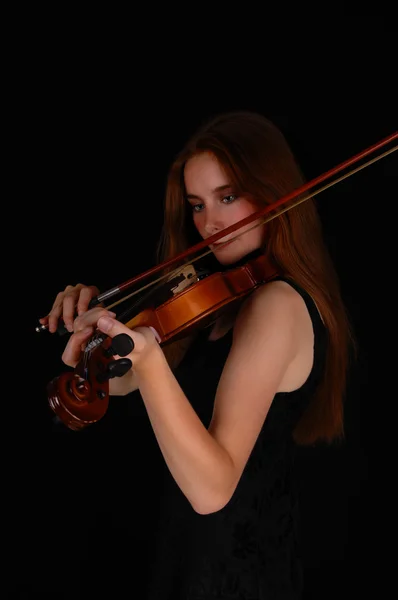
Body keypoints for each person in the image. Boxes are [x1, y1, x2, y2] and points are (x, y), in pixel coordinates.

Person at [39, 110, 356, 599]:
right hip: (187, 560)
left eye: (228, 197)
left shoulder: (277, 305)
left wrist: (146, 360)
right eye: (197, 205)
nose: (211, 224)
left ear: (269, 190)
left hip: (236, 576)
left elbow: (213, 490)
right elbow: (122, 381)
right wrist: (94, 332)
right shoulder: (216, 301)